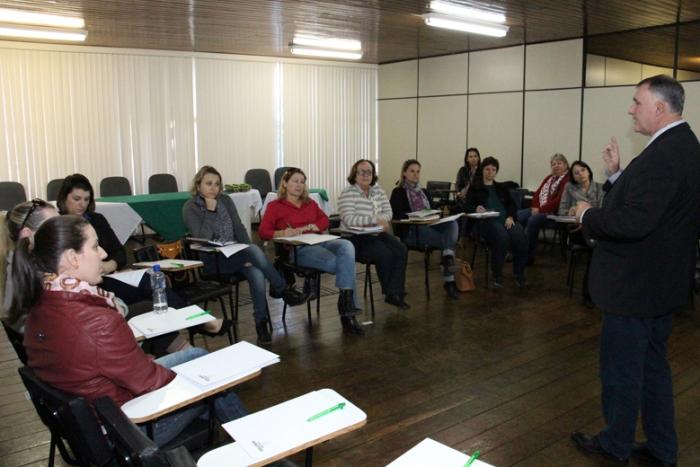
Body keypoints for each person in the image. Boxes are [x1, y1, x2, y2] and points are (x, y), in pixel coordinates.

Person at [13, 215, 248, 447]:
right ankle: (253, 443)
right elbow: (147, 381)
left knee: (197, 359)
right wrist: (195, 380)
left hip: (88, 421)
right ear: (73, 258)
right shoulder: (97, 321)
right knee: (213, 383)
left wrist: (151, 364)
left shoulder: (39, 302)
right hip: (126, 430)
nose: (104, 253)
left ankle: (223, 441)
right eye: (95, 247)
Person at [571, 75, 700, 467]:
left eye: (636, 102)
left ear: (659, 108)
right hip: (661, 286)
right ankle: (662, 448)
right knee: (654, 370)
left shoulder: (663, 154)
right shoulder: (684, 147)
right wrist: (616, 175)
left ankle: (615, 444)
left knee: (622, 371)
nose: (630, 109)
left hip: (635, 288)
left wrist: (587, 214)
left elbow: (634, 223)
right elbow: (654, 205)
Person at [183, 166, 307, 344]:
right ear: (198, 185)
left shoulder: (225, 200)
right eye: (208, 183)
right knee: (254, 254)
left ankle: (261, 323)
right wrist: (210, 212)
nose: (213, 188)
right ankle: (283, 289)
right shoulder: (190, 207)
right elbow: (202, 239)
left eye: (217, 184)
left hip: (236, 254)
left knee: (256, 272)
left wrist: (248, 254)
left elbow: (239, 228)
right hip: (214, 260)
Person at [258, 167, 364, 335]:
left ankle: (345, 305)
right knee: (345, 264)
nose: (299, 185)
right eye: (295, 181)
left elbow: (324, 220)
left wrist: (317, 225)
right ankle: (348, 314)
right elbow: (263, 232)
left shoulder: (309, 202)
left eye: (302, 182)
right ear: (285, 183)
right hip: (298, 249)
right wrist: (281, 233)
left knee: (347, 246)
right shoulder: (275, 206)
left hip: (319, 241)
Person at [338, 159, 410, 309]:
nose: (366, 175)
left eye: (369, 172)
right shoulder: (348, 193)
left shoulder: (378, 191)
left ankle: (395, 292)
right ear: (355, 174)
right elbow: (349, 219)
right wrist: (374, 220)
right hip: (354, 237)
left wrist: (380, 221)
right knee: (384, 253)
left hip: (376, 233)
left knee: (401, 249)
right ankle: (391, 293)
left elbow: (388, 212)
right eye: (362, 172)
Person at [390, 159, 460, 299]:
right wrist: (416, 216)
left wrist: (435, 214)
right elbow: (396, 215)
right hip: (411, 231)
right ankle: (449, 280)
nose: (416, 175)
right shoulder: (398, 192)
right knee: (447, 242)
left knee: (452, 224)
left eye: (418, 171)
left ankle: (446, 259)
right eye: (412, 171)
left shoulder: (424, 191)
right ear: (404, 173)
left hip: (429, 227)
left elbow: (434, 210)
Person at [465, 157, 527, 288]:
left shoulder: (501, 187)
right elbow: (466, 206)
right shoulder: (475, 188)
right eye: (487, 169)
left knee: (519, 234)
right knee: (501, 236)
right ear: (482, 170)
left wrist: (510, 216)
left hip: (505, 221)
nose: (490, 172)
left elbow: (512, 205)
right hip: (485, 223)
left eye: (493, 170)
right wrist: (475, 208)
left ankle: (519, 273)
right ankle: (497, 275)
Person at [1, 199, 58, 330]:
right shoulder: (20, 273)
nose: (60, 232)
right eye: (52, 228)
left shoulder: (30, 264)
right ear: (27, 235)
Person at [558, 160, 605, 307]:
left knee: (599, 247)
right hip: (575, 229)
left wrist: (586, 215)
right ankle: (588, 295)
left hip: (594, 228)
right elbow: (561, 211)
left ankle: (598, 292)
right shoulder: (570, 188)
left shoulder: (600, 188)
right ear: (573, 177)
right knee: (596, 247)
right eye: (576, 173)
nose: (580, 174)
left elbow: (603, 211)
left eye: (583, 170)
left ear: (589, 171)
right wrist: (571, 210)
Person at [516, 153, 570, 264]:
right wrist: (535, 207)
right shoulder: (549, 178)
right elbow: (537, 194)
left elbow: (559, 201)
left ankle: (527, 256)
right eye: (553, 164)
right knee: (517, 215)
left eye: (559, 163)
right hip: (541, 210)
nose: (556, 166)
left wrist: (539, 210)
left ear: (565, 165)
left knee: (532, 220)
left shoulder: (567, 180)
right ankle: (515, 250)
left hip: (555, 214)